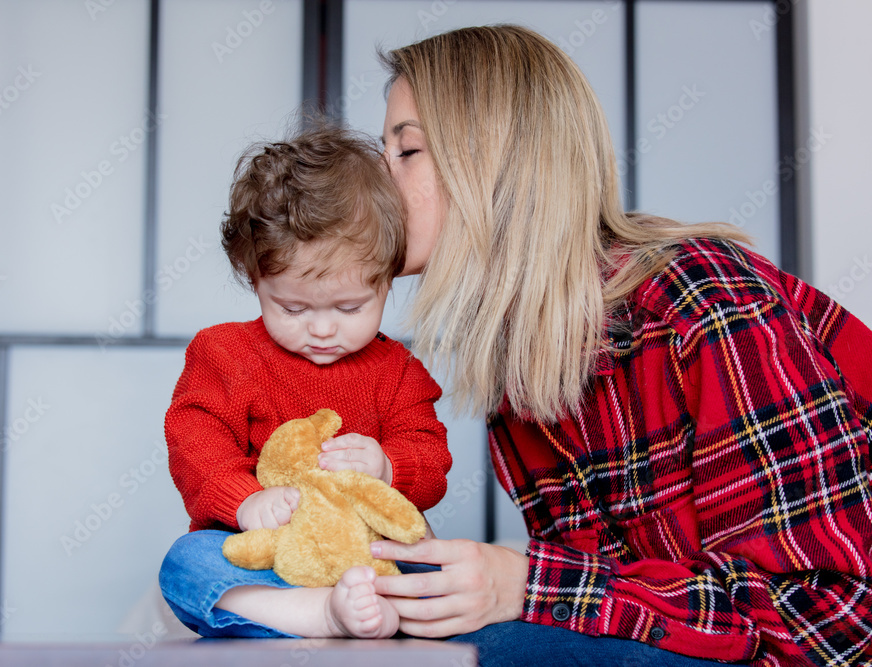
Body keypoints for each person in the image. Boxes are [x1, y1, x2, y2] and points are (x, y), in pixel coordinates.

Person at [367, 24, 872, 667]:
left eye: (405, 152)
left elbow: (833, 615)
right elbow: (611, 618)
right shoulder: (520, 370)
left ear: (492, 160)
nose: (377, 182)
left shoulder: (700, 299)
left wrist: (529, 585)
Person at [158, 125, 451, 640]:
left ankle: (370, 606)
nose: (321, 328)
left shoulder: (398, 370)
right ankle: (322, 615)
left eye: (349, 307)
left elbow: (430, 455)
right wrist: (244, 500)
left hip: (366, 550)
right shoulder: (224, 353)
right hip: (270, 553)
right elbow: (194, 440)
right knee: (187, 564)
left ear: (387, 279)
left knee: (435, 557)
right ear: (256, 279)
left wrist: (389, 465)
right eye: (292, 308)